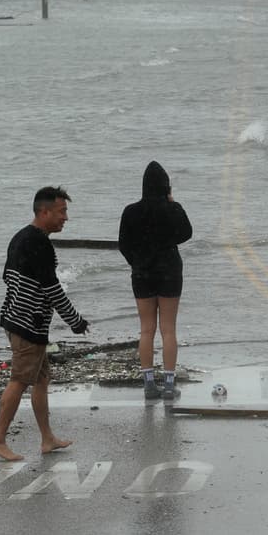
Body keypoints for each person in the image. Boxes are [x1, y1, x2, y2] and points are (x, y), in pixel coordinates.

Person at [0, 186, 91, 462]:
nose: (65, 218)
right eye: (61, 212)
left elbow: (7, 277)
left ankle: (47, 439)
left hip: (19, 319)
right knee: (19, 380)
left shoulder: (21, 237)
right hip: (27, 324)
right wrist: (75, 321)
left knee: (42, 379)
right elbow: (52, 289)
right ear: (44, 212)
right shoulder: (39, 244)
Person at [117, 160, 193, 401]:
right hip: (170, 270)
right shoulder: (173, 208)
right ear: (166, 187)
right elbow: (186, 233)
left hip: (142, 273)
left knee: (146, 329)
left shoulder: (131, 211)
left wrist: (136, 262)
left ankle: (149, 383)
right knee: (168, 329)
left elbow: (123, 243)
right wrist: (172, 205)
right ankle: (169, 384)